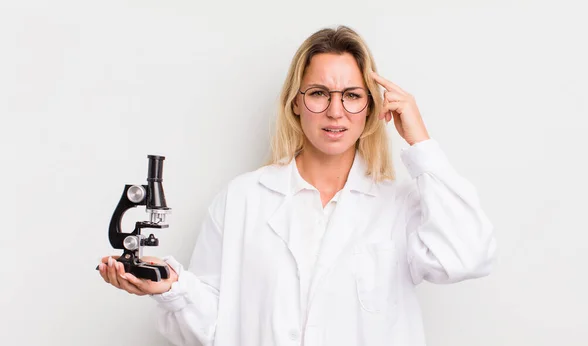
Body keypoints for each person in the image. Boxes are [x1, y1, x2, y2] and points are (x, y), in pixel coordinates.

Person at [98, 25, 496, 346]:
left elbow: (469, 255)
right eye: (319, 93)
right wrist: (171, 289)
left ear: (372, 109)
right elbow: (216, 327)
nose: (335, 111)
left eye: (353, 95)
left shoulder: (400, 206)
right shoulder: (242, 200)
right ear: (295, 103)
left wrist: (420, 141)